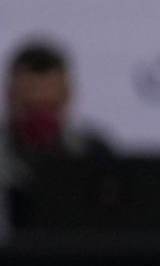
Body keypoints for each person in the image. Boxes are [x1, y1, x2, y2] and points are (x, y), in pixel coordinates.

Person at [0, 40, 115, 237]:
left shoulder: (94, 153)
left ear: (67, 95)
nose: (40, 118)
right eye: (30, 107)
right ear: (10, 96)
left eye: (49, 106)